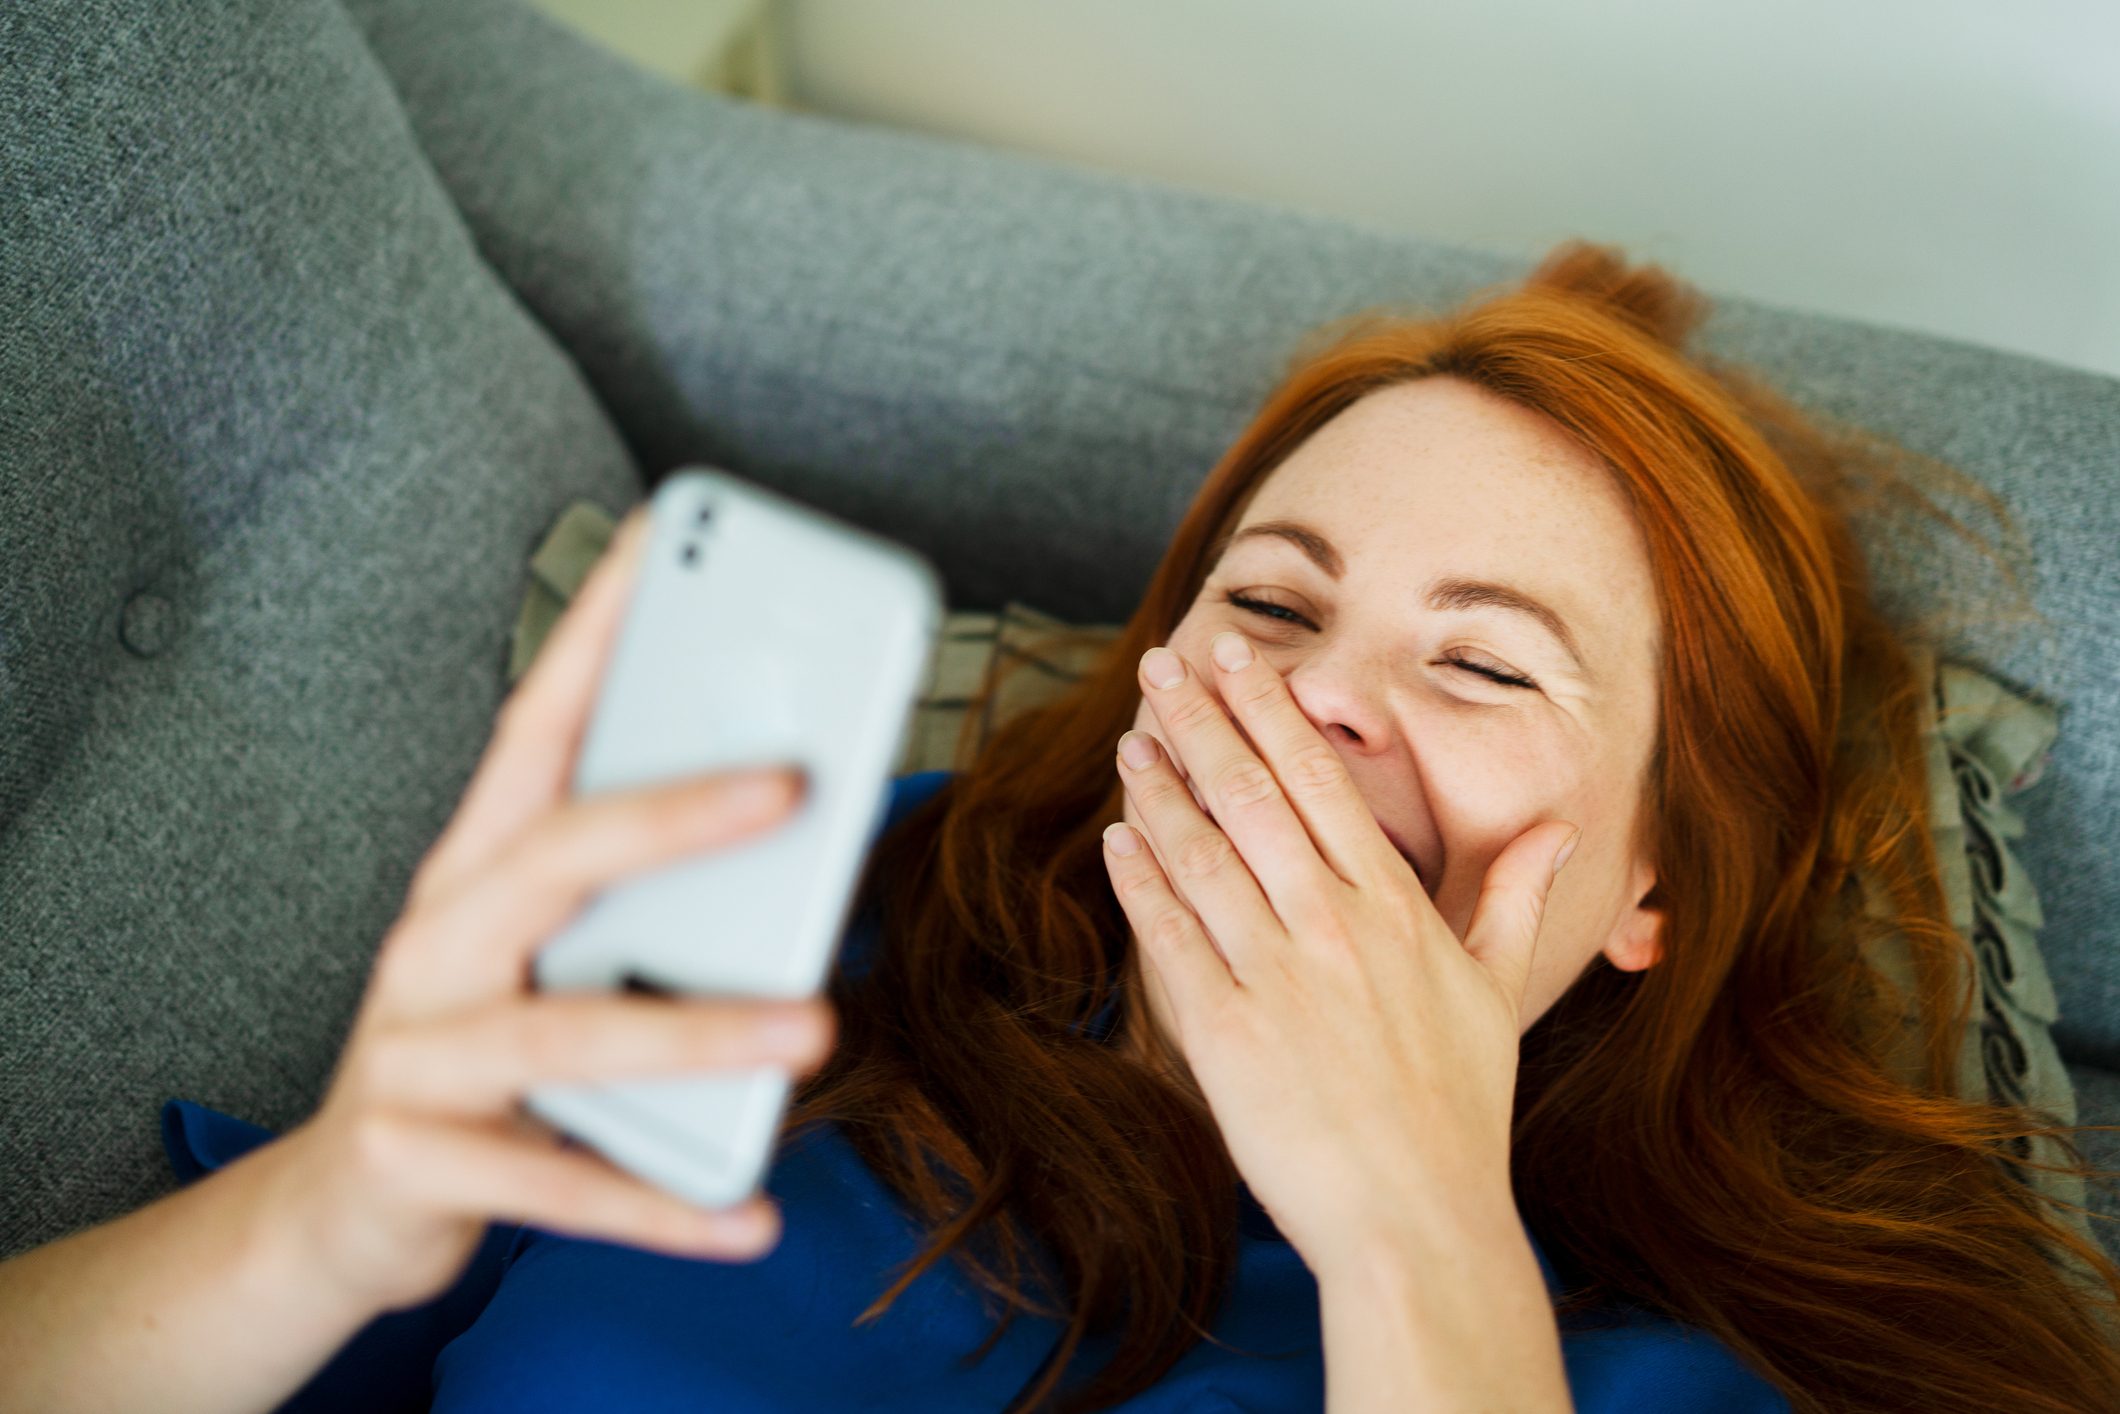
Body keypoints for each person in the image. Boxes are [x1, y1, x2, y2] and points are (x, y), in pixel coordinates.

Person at [2, 241, 2116, 1413]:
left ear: (1653, 884)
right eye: (1271, 604)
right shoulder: (795, 952)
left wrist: (1411, 1233)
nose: (1318, 704)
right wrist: (337, 1210)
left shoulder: (1675, 1378)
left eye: (1484, 666)